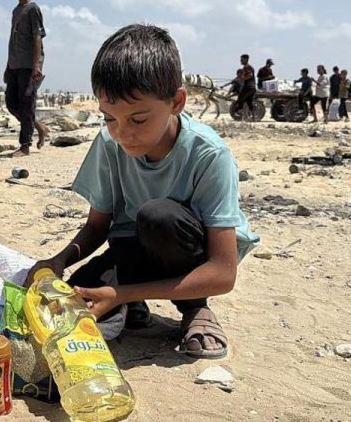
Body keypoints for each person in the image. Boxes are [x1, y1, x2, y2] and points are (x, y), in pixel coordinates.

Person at [23, 24, 259, 359]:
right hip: (133, 248)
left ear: (176, 102)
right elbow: (97, 227)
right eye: (109, 118)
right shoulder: (109, 143)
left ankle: (195, 309)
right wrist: (58, 260)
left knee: (158, 216)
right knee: (73, 300)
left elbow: (223, 272)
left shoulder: (208, 154)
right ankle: (131, 303)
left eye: (138, 120)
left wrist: (120, 293)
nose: (123, 134)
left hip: (187, 252)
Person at [4, 0, 49, 156]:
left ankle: (25, 145)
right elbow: (12, 40)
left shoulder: (33, 9)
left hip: (29, 65)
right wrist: (8, 65)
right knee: (11, 103)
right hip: (14, 64)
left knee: (27, 105)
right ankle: (40, 127)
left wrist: (36, 65)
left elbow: (37, 37)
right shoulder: (16, 11)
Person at [233, 54, 257, 122]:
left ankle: (240, 115)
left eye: (242, 60)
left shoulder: (247, 67)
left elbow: (250, 75)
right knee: (249, 102)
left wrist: (241, 79)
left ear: (246, 60)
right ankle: (254, 118)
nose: (240, 61)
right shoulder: (246, 67)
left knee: (240, 99)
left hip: (248, 87)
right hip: (252, 87)